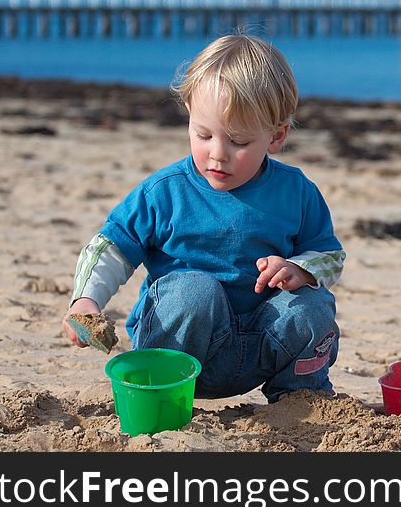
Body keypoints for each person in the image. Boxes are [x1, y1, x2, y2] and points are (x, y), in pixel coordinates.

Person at [62, 34, 346, 402]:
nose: (218, 154)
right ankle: (157, 392)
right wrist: (85, 300)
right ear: (188, 118)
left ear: (276, 137)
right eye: (203, 134)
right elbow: (111, 247)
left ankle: (299, 400)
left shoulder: (297, 192)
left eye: (239, 142)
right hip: (178, 351)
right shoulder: (165, 191)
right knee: (194, 291)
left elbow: (330, 254)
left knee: (312, 306)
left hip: (260, 344)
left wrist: (300, 269)